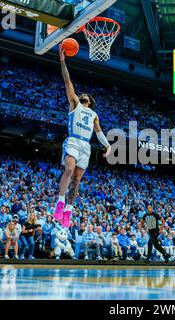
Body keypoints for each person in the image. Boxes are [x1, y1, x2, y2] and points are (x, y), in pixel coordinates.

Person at [53, 47, 112, 228]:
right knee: (69, 170)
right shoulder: (75, 104)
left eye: (86, 95)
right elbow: (67, 80)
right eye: (82, 94)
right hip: (73, 139)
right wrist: (63, 61)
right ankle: (60, 202)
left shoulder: (94, 114)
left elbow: (99, 132)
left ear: (90, 101)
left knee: (77, 180)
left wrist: (108, 146)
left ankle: (68, 211)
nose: (82, 94)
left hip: (86, 145)